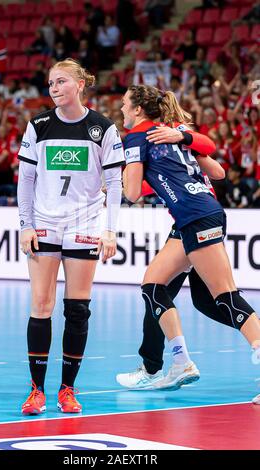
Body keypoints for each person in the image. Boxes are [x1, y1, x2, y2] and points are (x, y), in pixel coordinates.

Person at [117, 85, 260, 395]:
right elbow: (217, 170)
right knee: (153, 286)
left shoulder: (139, 138)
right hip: (193, 216)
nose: (122, 110)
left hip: (197, 216)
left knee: (225, 296)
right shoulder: (169, 132)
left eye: (125, 105)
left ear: (139, 110)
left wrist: (120, 179)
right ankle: (180, 361)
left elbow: (130, 192)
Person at [17, 58, 124, 415]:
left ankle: (67, 390)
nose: (54, 88)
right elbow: (26, 180)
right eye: (50, 83)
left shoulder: (103, 128)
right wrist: (25, 224)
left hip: (85, 226)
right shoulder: (39, 126)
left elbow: (114, 183)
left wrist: (109, 229)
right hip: (45, 224)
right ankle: (36, 391)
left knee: (77, 309)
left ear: (80, 84)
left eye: (61, 82)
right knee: (41, 306)